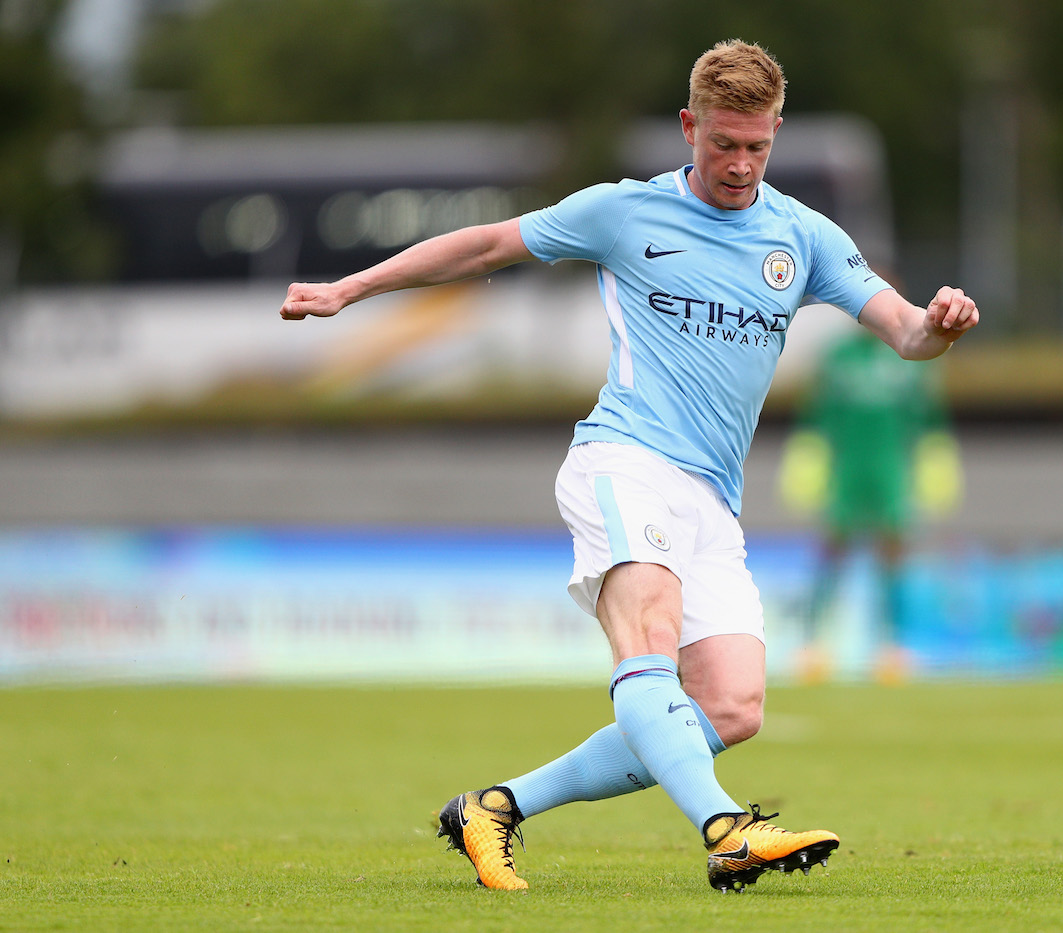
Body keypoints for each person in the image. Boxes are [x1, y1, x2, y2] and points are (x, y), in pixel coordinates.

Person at [279, 39, 979, 893]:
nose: (739, 163)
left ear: (776, 134)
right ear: (690, 127)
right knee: (648, 638)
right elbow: (486, 245)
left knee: (730, 705)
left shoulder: (803, 237)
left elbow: (906, 333)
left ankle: (493, 807)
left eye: (757, 146)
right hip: (625, 459)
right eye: (723, 143)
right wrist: (348, 289)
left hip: (712, 501)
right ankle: (728, 829)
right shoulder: (625, 213)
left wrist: (940, 323)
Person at [781, 326, 964, 684]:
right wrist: (807, 466)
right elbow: (817, 416)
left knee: (893, 556)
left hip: (892, 471)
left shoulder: (912, 358)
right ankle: (812, 644)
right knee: (832, 553)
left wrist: (936, 468)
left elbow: (928, 419)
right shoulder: (839, 357)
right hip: (846, 470)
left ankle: (892, 647)